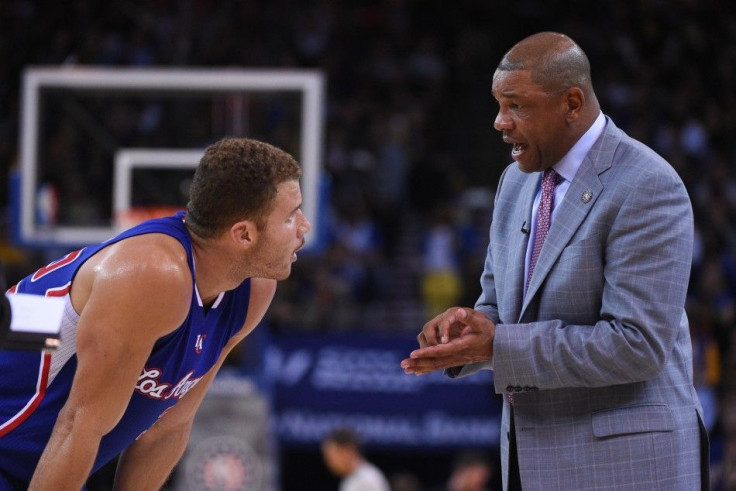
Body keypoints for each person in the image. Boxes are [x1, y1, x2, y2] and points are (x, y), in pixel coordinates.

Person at [401, 32, 709, 490]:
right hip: (531, 462)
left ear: (571, 103)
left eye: (516, 106)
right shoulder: (514, 183)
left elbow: (636, 345)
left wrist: (498, 346)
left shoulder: (647, 185)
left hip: (627, 469)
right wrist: (467, 328)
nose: (499, 122)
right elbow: (499, 310)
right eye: (498, 105)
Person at [0, 137, 311, 489]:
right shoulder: (153, 274)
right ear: (243, 234)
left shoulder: (253, 289)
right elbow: (77, 425)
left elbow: (169, 426)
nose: (304, 227)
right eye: (289, 217)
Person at [321, 427, 390, 491]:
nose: (328, 462)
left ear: (347, 451)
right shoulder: (354, 478)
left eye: (331, 456)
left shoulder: (364, 480)